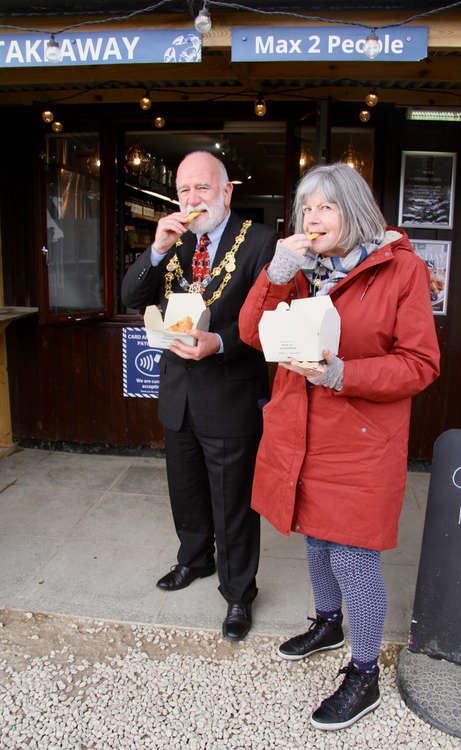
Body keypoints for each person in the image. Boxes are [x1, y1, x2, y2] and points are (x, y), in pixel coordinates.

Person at [238, 162, 440, 729]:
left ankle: (365, 673)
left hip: (359, 439)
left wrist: (340, 373)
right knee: (316, 542)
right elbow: (254, 335)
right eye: (307, 208)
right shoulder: (301, 269)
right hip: (301, 432)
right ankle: (329, 624)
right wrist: (276, 274)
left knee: (353, 556)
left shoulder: (402, 271)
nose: (313, 218)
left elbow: (420, 365)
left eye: (325, 206)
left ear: (354, 211)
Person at [122, 151, 277, 641]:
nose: (192, 199)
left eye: (202, 189)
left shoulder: (260, 241)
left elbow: (271, 319)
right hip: (179, 394)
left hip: (230, 394)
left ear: (226, 191)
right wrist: (155, 248)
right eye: (184, 190)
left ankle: (237, 593)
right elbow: (132, 297)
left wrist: (222, 342)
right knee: (185, 491)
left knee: (232, 503)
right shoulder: (175, 241)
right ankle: (193, 560)